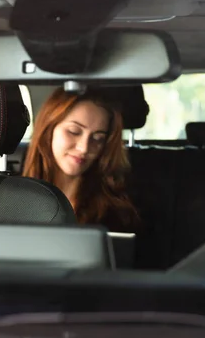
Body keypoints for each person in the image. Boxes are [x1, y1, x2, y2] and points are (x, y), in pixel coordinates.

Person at [23, 87, 140, 232]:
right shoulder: (12, 202)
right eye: (74, 131)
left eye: (98, 138)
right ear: (49, 130)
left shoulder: (114, 213)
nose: (84, 148)